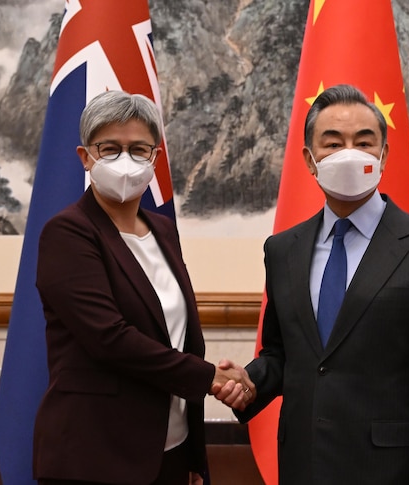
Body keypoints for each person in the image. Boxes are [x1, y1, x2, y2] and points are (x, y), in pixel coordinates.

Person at [225, 84, 409, 484]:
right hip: (302, 466)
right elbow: (285, 352)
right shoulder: (283, 250)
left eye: (364, 141)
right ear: (309, 159)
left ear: (384, 154)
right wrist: (250, 383)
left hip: (388, 471)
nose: (349, 153)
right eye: (333, 142)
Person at [32, 90, 253, 485]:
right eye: (110, 148)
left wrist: (191, 454)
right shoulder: (67, 232)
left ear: (154, 159)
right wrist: (211, 378)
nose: (125, 161)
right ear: (85, 157)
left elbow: (179, 338)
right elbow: (109, 338)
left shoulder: (163, 230)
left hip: (167, 452)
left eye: (138, 149)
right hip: (96, 458)